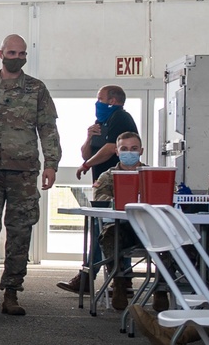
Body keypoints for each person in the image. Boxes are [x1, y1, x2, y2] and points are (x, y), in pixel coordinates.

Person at [0, 33, 62, 316]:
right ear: (1, 54)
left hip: (23, 172)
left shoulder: (36, 89)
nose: (17, 58)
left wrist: (51, 164)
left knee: (20, 232)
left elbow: (47, 128)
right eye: (12, 53)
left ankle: (11, 291)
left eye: (22, 54)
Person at [57, 131, 146, 310]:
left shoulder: (150, 173)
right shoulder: (108, 176)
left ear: (141, 150)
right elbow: (100, 197)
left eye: (134, 149)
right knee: (109, 235)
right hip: (122, 229)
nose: (130, 152)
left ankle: (161, 286)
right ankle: (119, 281)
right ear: (117, 152)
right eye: (125, 149)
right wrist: (120, 200)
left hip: (147, 229)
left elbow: (169, 193)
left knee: (170, 235)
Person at [76, 85, 137, 182]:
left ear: (112, 101)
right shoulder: (101, 122)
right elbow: (86, 156)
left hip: (116, 181)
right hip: (100, 181)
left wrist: (86, 165)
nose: (97, 103)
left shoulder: (120, 117)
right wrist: (88, 138)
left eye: (100, 99)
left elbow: (111, 148)